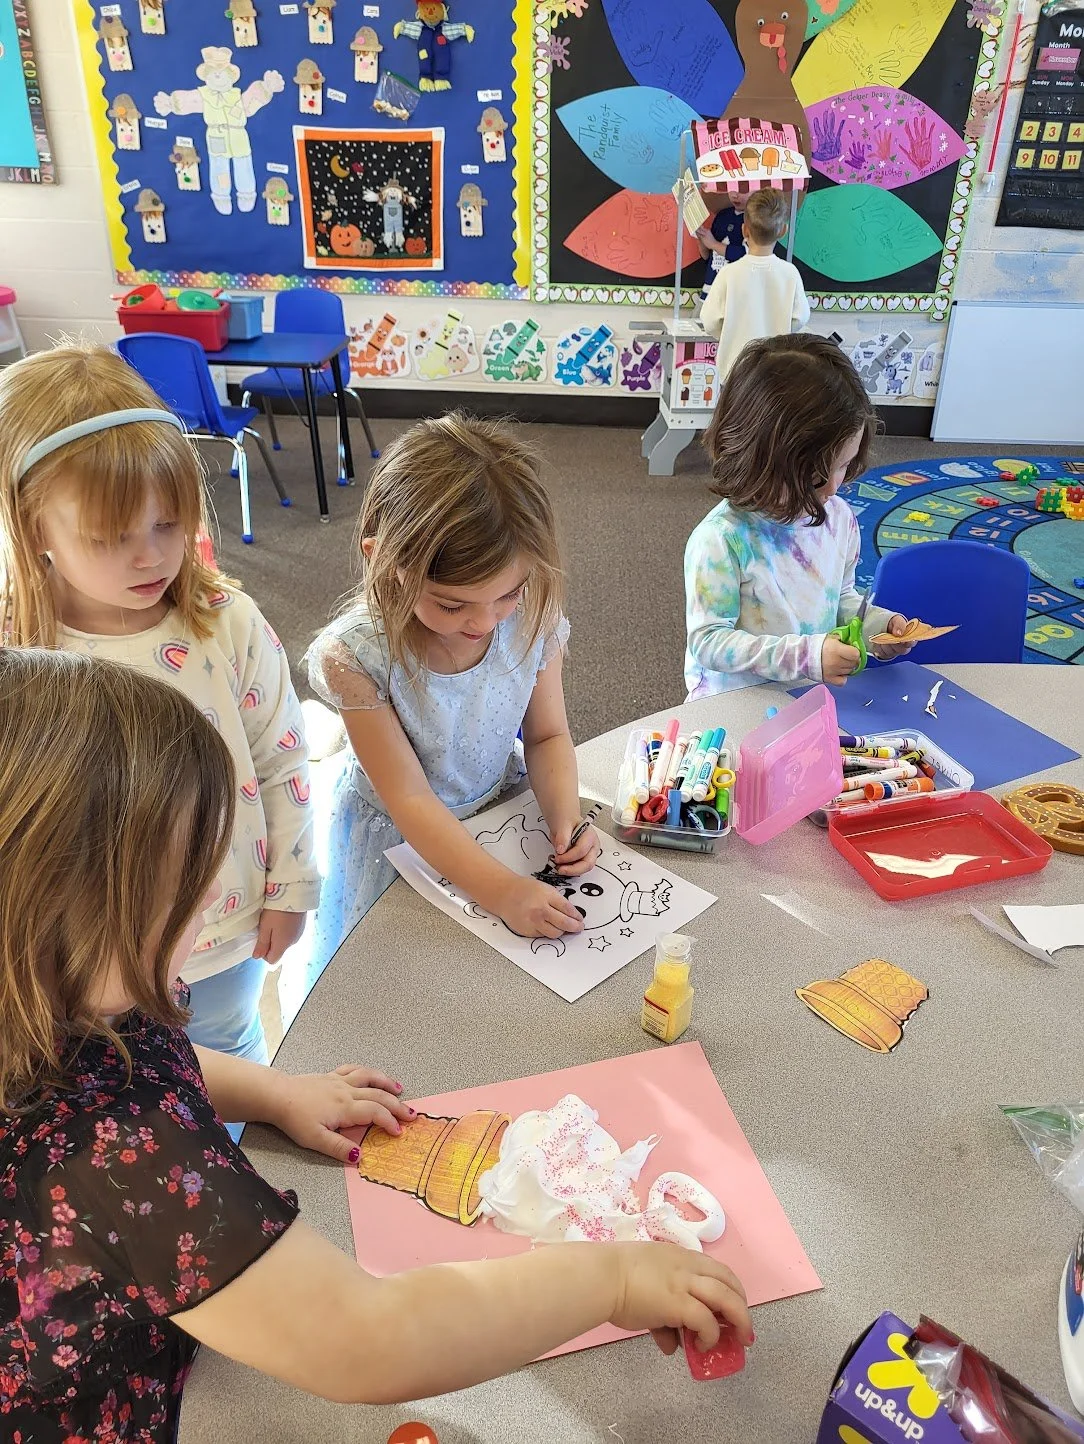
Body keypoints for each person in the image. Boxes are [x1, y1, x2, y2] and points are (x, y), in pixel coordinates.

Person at [0, 649, 754, 1441]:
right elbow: (369, 1340)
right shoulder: (118, 1162)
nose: (215, 897)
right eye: (189, 885)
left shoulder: (62, 990)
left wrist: (272, 1092)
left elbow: (139, 1060)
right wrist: (616, 1279)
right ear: (74, 919)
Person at [0, 343, 319, 1082]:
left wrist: (294, 885)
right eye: (113, 537)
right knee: (96, 1084)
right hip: (77, 952)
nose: (151, 558)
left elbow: (284, 758)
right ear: (33, 526)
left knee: (228, 1055)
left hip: (222, 926)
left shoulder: (224, 621)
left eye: (169, 525)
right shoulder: (18, 647)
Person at [307, 413, 598, 963]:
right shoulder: (358, 657)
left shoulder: (532, 616)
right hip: (401, 838)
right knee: (409, 980)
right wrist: (504, 892)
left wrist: (566, 819)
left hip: (500, 812)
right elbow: (411, 801)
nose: (485, 622)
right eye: (451, 603)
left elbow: (547, 736)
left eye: (508, 594)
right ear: (384, 561)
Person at [684, 334, 916, 698]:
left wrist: (877, 627)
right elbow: (709, 641)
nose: (833, 489)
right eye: (814, 477)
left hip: (807, 698)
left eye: (843, 466)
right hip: (734, 704)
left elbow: (839, 599)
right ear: (760, 462)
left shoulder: (839, 519)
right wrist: (805, 656)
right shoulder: (721, 538)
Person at [700, 187, 810, 382]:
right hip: (773, 371)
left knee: (735, 413)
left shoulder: (729, 273)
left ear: (744, 230)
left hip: (734, 370)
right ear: (783, 231)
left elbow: (709, 321)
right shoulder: (790, 274)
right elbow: (800, 318)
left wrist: (728, 334)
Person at [695, 199, 746, 309]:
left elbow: (746, 255)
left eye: (742, 189)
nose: (735, 195)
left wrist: (713, 244)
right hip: (709, 292)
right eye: (731, 188)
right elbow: (707, 256)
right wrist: (701, 238)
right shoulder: (723, 215)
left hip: (734, 297)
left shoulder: (755, 219)